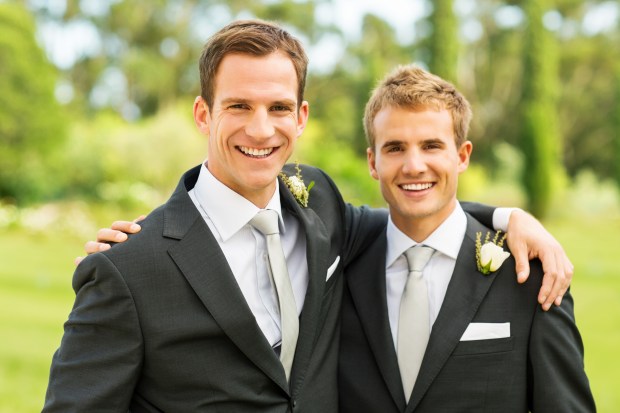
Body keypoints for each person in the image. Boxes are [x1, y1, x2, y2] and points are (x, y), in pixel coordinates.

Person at [48, 20, 572, 412]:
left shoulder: (318, 203)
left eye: (278, 108)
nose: (260, 129)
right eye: (238, 107)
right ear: (203, 113)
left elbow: (411, 206)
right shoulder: (128, 269)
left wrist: (508, 217)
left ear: (300, 118)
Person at [338, 65, 595, 412]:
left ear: (462, 156)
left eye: (431, 146)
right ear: (373, 161)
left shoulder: (531, 275)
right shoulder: (340, 268)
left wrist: (510, 216)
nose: (414, 166)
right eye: (395, 148)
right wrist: (508, 214)